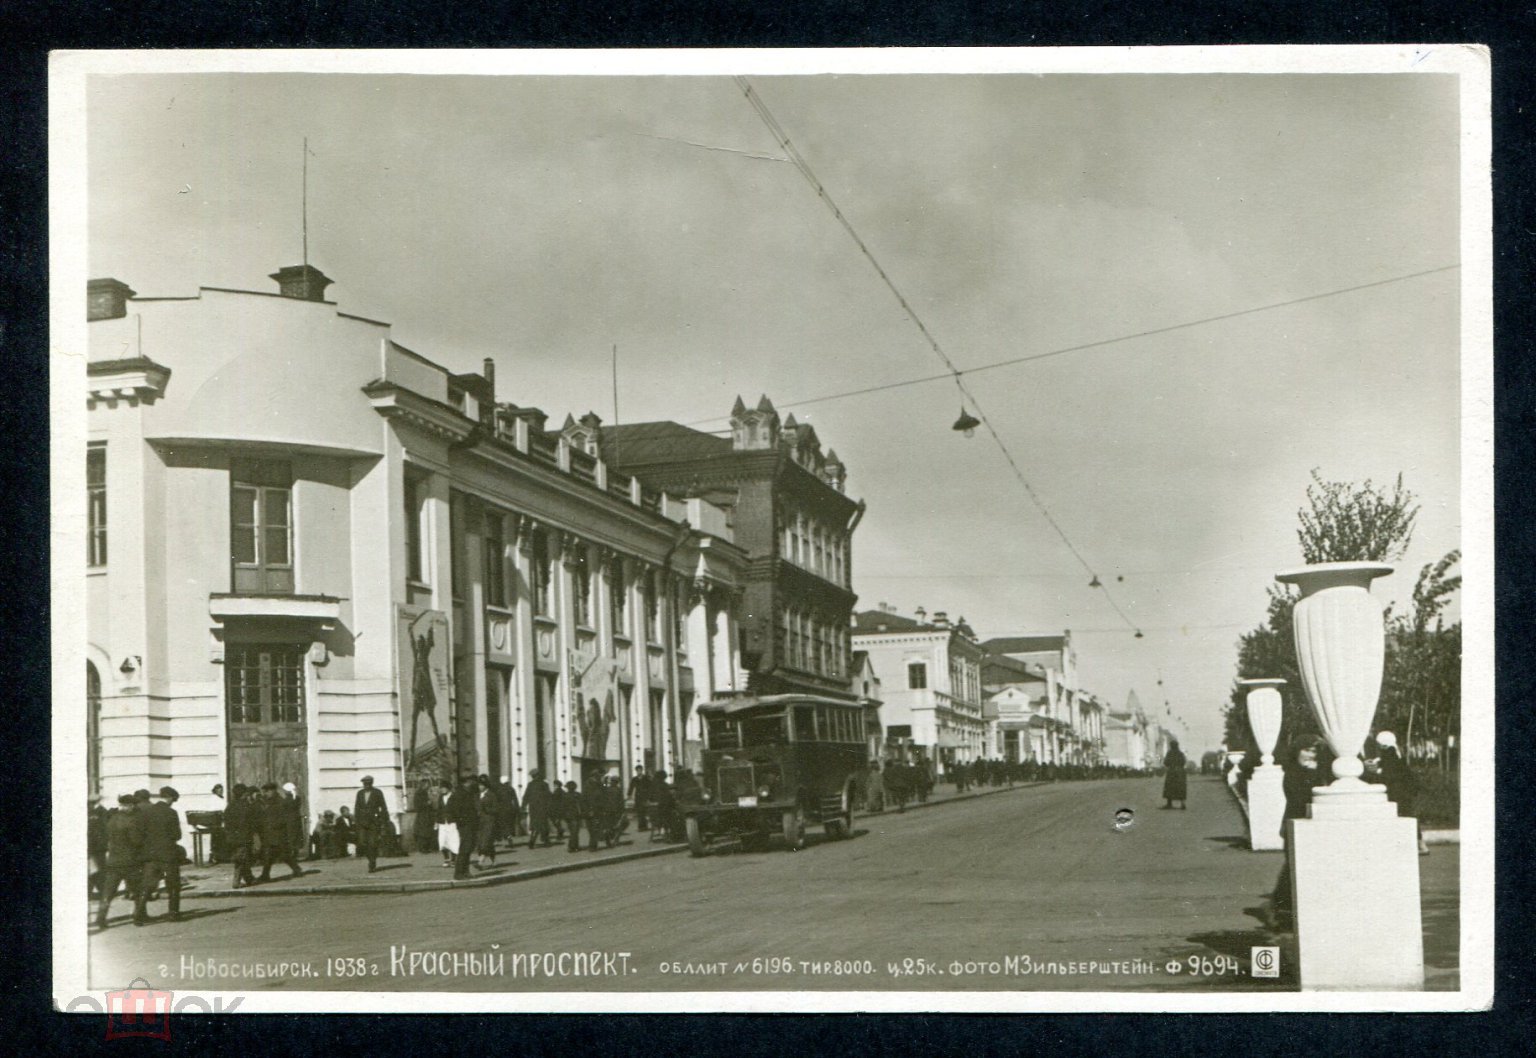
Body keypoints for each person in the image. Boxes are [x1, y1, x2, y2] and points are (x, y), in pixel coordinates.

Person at [1373, 731, 1429, 855]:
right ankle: (1420, 844)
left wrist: (1377, 771)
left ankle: (1418, 845)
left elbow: (1389, 773)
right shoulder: (1396, 752)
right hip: (1405, 791)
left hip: (1398, 792)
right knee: (1409, 816)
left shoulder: (1389, 753)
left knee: (1402, 816)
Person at [135, 787, 183, 925]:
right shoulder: (171, 812)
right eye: (173, 800)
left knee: (147, 885)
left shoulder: (147, 812)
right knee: (173, 884)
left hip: (150, 855)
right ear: (169, 798)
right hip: (168, 854)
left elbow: (140, 833)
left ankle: (138, 915)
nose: (173, 803)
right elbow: (177, 835)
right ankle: (173, 914)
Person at [95, 793, 143, 928]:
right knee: (137, 890)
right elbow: (136, 841)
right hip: (130, 862)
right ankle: (138, 917)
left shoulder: (111, 820)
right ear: (129, 806)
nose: (134, 808)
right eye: (133, 805)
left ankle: (100, 918)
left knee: (108, 892)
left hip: (112, 861)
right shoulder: (131, 821)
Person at [257, 783, 302, 882]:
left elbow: (284, 819)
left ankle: (296, 869)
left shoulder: (280, 802)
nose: (266, 793)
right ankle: (266, 875)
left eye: (268, 791)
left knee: (281, 855)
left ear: (273, 791)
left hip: (279, 833)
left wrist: (275, 825)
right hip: (271, 833)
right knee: (271, 855)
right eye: (265, 792)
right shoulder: (268, 801)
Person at [354, 775, 390, 873]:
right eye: (365, 784)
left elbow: (383, 807)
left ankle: (372, 862)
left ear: (371, 783)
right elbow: (357, 807)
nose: (366, 785)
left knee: (373, 843)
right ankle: (370, 858)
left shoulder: (377, 793)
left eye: (368, 783)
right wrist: (356, 821)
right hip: (362, 823)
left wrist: (383, 821)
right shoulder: (360, 793)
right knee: (362, 843)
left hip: (373, 823)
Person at [224, 784, 257, 889]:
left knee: (243, 858)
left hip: (232, 837)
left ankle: (249, 878)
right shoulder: (245, 806)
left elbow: (226, 822)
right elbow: (249, 822)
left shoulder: (230, 806)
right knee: (241, 859)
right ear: (244, 794)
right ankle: (236, 882)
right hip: (243, 837)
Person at [449, 776, 481, 879]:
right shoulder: (459, 794)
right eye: (470, 782)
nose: (472, 783)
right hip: (465, 825)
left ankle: (465, 871)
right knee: (465, 848)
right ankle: (459, 873)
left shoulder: (468, 793)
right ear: (465, 783)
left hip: (470, 824)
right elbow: (452, 809)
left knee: (469, 847)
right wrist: (460, 820)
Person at [475, 775, 499, 868]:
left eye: (482, 785)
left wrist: (487, 810)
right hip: (479, 821)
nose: (480, 787)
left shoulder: (491, 795)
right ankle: (494, 860)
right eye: (479, 785)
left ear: (486, 785)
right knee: (483, 841)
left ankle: (480, 861)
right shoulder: (477, 795)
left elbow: (496, 809)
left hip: (489, 821)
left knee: (485, 841)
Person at [523, 770, 552, 848]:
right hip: (543, 808)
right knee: (543, 824)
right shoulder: (544, 784)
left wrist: (523, 806)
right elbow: (549, 796)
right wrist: (550, 807)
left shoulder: (530, 785)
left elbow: (526, 796)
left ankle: (533, 842)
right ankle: (544, 842)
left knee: (535, 825)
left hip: (533, 809)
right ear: (538, 775)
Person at [436, 779, 461, 868]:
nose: (442, 790)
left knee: (453, 841)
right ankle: (446, 858)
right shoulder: (440, 798)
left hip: (452, 822)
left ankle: (453, 859)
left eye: (443, 788)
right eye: (441, 788)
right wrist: (436, 821)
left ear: (448, 788)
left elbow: (457, 810)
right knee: (442, 841)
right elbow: (438, 810)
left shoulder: (454, 797)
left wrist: (458, 820)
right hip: (442, 822)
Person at [1162, 739, 1188, 809]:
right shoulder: (1181, 753)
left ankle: (1169, 804)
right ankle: (1182, 803)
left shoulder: (1169, 753)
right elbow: (1184, 762)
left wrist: (1170, 765)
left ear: (1171, 746)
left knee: (1169, 788)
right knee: (1180, 788)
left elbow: (1166, 762)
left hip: (1172, 771)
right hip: (1180, 772)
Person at [563, 780, 586, 852]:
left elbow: (563, 807)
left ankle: (574, 846)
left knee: (573, 832)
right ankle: (573, 847)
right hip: (576, 815)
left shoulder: (565, 795)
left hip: (568, 816)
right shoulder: (577, 795)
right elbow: (582, 805)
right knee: (575, 832)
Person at [496, 775, 521, 842]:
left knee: (503, 823)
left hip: (501, 809)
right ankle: (509, 835)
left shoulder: (498, 790)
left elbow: (496, 800)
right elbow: (515, 800)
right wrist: (517, 808)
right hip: (510, 808)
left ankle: (506, 835)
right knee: (509, 823)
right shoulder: (511, 789)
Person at [629, 766, 651, 831]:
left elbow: (650, 786)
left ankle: (644, 826)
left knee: (644, 812)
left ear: (642, 770)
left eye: (640, 770)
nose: (639, 771)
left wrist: (649, 796)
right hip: (638, 797)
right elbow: (631, 787)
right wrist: (629, 794)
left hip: (645, 796)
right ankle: (640, 827)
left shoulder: (645, 778)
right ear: (636, 771)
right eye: (638, 770)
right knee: (639, 812)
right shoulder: (634, 779)